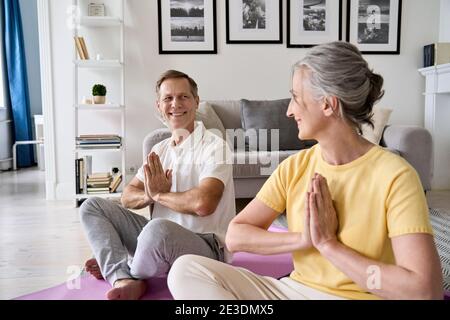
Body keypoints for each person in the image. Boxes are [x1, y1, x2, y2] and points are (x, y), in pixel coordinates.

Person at [167, 42, 444, 300]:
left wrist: (329, 246)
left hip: (353, 296)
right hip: (291, 290)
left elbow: (424, 289)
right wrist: (303, 239)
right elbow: (236, 235)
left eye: (296, 98)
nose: (289, 110)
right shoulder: (296, 166)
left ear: (327, 103)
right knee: (186, 270)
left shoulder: (395, 175)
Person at [80, 70, 236, 300]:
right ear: (159, 106)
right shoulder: (160, 149)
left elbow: (204, 203)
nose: (176, 104)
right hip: (155, 242)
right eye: (168, 98)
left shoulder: (215, 146)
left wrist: (160, 194)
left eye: (184, 97)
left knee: (157, 228)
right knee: (92, 206)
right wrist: (149, 196)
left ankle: (120, 268)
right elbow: (128, 196)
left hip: (206, 246)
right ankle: (124, 279)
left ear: (196, 101)